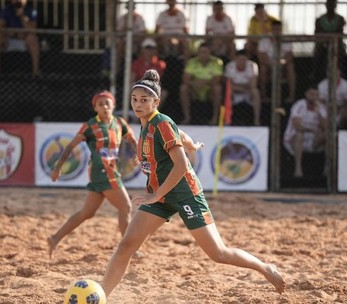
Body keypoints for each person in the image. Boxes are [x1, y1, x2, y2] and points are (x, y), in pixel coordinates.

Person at [100, 69, 286, 298]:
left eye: (144, 100)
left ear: (156, 101)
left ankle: (264, 267)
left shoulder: (161, 123)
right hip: (161, 195)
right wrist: (190, 144)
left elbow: (182, 166)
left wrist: (155, 194)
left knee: (218, 253)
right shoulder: (147, 122)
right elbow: (180, 133)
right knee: (126, 246)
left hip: (185, 194)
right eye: (134, 99)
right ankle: (102, 297)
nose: (137, 104)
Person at [48, 91, 203, 258]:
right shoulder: (90, 126)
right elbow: (70, 146)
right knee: (125, 207)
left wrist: (142, 155)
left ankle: (55, 238)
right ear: (95, 108)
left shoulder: (119, 123)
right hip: (101, 171)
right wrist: (58, 168)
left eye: (107, 103)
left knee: (87, 213)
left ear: (114, 105)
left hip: (109, 171)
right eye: (100, 104)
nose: (105, 107)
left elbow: (135, 140)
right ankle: (130, 249)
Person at [283, 85, 328, 177]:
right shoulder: (299, 105)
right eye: (311, 94)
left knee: (328, 135)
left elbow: (325, 126)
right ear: (306, 94)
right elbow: (298, 126)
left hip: (314, 140)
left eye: (316, 94)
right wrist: (313, 129)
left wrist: (319, 112)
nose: (314, 96)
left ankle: (327, 169)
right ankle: (298, 169)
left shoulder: (321, 107)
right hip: (295, 139)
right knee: (299, 134)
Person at [0, 0, 40, 76]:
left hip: (24, 40)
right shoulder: (6, 10)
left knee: (32, 38)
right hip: (9, 39)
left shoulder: (32, 11)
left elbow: (32, 29)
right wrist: (9, 33)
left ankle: (36, 70)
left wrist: (22, 17)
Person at [179, 42, 223, 125]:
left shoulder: (217, 62)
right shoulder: (192, 62)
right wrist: (194, 83)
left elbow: (217, 79)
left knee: (218, 89)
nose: (204, 54)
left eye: (206, 52)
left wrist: (205, 83)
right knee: (183, 88)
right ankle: (187, 117)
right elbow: (185, 78)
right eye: (201, 52)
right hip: (194, 90)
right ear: (198, 53)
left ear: (210, 53)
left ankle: (215, 118)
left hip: (209, 90)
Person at [257, 20, 296, 104]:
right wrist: (271, 64)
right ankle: (264, 96)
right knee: (262, 68)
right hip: (268, 63)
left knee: (290, 67)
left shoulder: (287, 39)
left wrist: (283, 62)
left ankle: (291, 96)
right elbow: (261, 56)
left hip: (282, 63)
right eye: (275, 29)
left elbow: (289, 54)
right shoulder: (264, 40)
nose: (277, 31)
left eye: (279, 29)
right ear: (271, 29)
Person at [224, 49, 261, 126]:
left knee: (255, 92)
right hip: (235, 93)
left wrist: (237, 86)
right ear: (235, 59)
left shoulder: (253, 66)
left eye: (244, 59)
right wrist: (245, 87)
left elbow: (253, 85)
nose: (241, 61)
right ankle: (227, 120)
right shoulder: (230, 66)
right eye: (239, 59)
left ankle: (256, 120)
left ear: (247, 59)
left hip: (248, 93)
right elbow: (229, 85)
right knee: (227, 92)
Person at [312, 0, 346, 82]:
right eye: (329, 4)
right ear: (326, 5)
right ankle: (315, 74)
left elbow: (339, 33)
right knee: (318, 50)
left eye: (333, 4)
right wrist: (325, 40)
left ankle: (339, 72)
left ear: (335, 5)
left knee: (339, 50)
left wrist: (330, 38)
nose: (331, 6)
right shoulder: (319, 19)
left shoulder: (340, 19)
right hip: (322, 44)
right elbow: (317, 33)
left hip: (337, 44)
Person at [131, 38, 168, 110]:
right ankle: (135, 111)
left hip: (154, 88)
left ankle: (152, 113)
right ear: (142, 50)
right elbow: (132, 78)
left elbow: (159, 81)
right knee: (130, 86)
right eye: (147, 48)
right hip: (140, 86)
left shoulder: (160, 64)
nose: (149, 51)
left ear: (156, 50)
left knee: (164, 93)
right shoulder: (137, 63)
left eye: (152, 49)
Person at [115, 3, 147, 70]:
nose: (130, 10)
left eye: (132, 8)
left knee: (142, 44)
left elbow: (143, 32)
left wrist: (134, 39)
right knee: (119, 44)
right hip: (124, 41)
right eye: (129, 8)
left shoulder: (139, 18)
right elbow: (118, 33)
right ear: (126, 8)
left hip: (137, 40)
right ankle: (116, 68)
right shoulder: (121, 18)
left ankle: (141, 67)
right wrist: (126, 25)